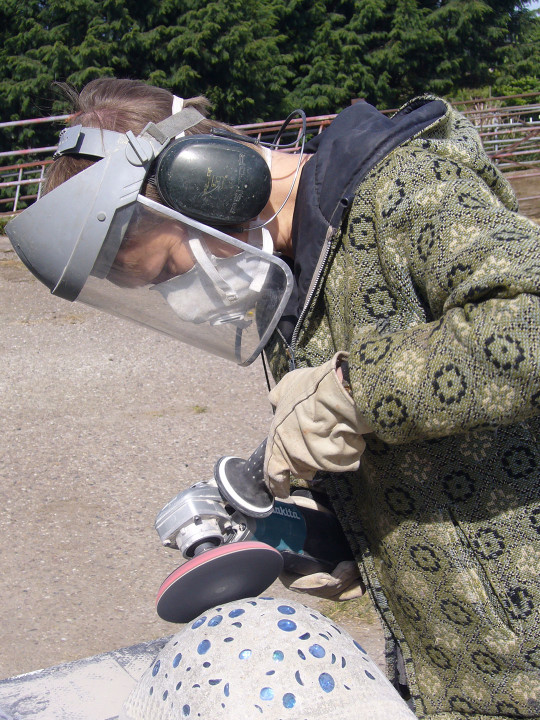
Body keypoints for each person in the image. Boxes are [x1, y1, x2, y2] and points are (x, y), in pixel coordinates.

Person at [6, 77, 540, 719]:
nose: (186, 295)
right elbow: (414, 446)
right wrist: (339, 538)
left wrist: (353, 392)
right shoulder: (289, 286)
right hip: (462, 682)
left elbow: (528, 326)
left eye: (172, 267)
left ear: (211, 179)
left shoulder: (405, 189)